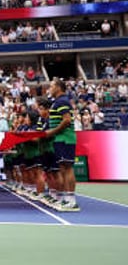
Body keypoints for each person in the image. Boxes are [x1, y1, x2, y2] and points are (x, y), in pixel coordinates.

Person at [44, 78, 79, 211]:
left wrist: (52, 132)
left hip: (65, 138)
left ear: (59, 87)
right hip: (59, 139)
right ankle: (66, 199)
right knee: (63, 169)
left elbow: (67, 121)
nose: (49, 89)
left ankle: (72, 201)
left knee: (67, 168)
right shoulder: (56, 102)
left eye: (51, 86)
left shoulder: (63, 101)